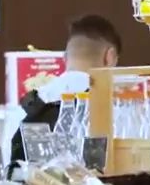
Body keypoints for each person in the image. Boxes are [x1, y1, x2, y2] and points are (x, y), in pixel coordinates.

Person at [8, 14, 122, 170]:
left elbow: (9, 168)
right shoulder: (116, 108)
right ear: (110, 57)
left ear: (65, 58)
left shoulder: (26, 106)